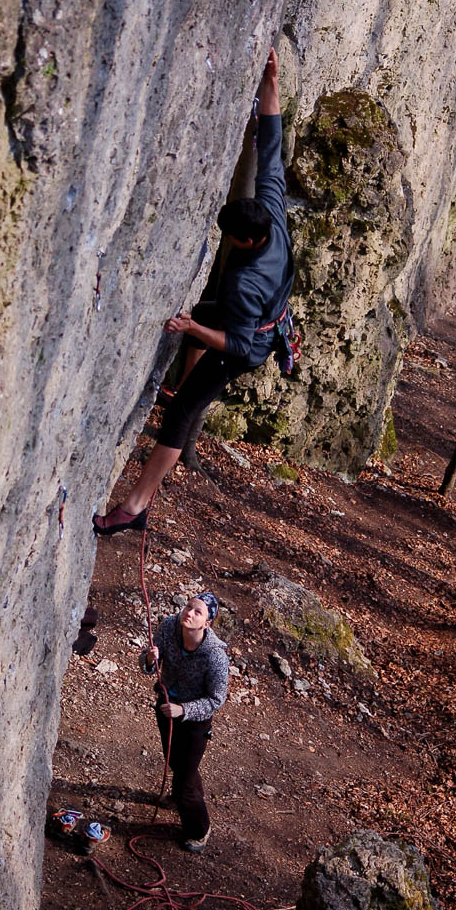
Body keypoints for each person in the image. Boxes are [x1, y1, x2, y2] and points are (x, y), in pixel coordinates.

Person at [93, 46, 294, 536]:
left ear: (249, 241)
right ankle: (178, 372)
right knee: (199, 322)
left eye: (231, 240)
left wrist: (194, 329)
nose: (228, 243)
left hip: (249, 342)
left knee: (184, 409)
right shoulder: (270, 208)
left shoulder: (247, 282)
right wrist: (271, 82)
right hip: (249, 316)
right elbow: (270, 148)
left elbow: (243, 347)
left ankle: (136, 506)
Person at [139, 591, 229, 852]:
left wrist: (183, 710)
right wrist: (149, 658)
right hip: (166, 707)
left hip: (194, 721)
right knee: (176, 761)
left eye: (197, 612)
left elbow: (216, 700)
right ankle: (178, 795)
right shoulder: (169, 627)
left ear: (207, 623)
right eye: (189, 607)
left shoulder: (215, 655)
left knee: (187, 778)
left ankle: (198, 830)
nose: (188, 613)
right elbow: (147, 663)